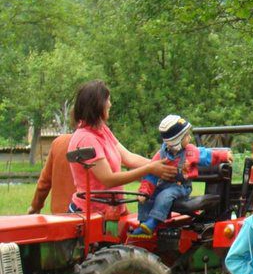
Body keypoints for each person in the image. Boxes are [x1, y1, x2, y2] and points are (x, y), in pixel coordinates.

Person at [67, 80, 177, 218]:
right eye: (107, 100)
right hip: (92, 214)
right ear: (97, 105)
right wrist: (151, 169)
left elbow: (128, 158)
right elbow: (108, 179)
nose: (110, 104)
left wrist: (165, 164)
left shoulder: (102, 130)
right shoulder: (86, 139)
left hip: (111, 209)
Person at [131, 114, 233, 236]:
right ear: (176, 141)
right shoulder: (161, 155)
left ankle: (153, 222)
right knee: (147, 197)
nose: (189, 137)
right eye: (186, 136)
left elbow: (208, 155)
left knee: (165, 195)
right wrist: (145, 191)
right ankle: (144, 223)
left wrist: (224, 155)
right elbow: (151, 175)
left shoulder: (191, 151)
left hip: (181, 187)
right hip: (164, 185)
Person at [28, 133, 75, 214]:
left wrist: (35, 206)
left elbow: (44, 181)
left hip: (60, 215)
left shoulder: (59, 143)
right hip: (93, 216)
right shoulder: (99, 142)